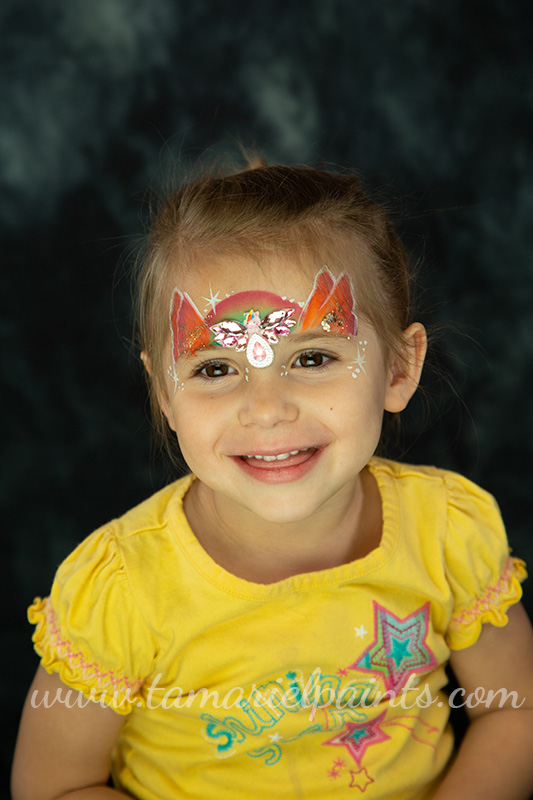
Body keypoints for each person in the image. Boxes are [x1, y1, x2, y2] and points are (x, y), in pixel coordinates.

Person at [11, 160, 533, 800]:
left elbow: (515, 711)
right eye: (213, 368)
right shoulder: (120, 590)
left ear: (399, 368)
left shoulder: (446, 532)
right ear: (164, 396)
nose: (265, 408)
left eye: (312, 358)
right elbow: (54, 787)